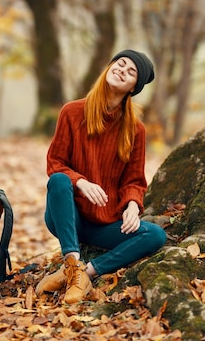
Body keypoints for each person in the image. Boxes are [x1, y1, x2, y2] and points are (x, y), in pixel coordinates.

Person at [36, 49, 167, 304]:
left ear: (133, 88)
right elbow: (55, 163)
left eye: (131, 72)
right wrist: (81, 182)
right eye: (120, 64)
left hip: (104, 224)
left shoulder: (135, 130)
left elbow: (135, 181)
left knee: (155, 235)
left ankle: (84, 273)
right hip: (67, 217)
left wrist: (132, 205)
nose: (122, 71)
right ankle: (72, 260)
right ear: (109, 67)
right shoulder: (72, 112)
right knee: (60, 180)